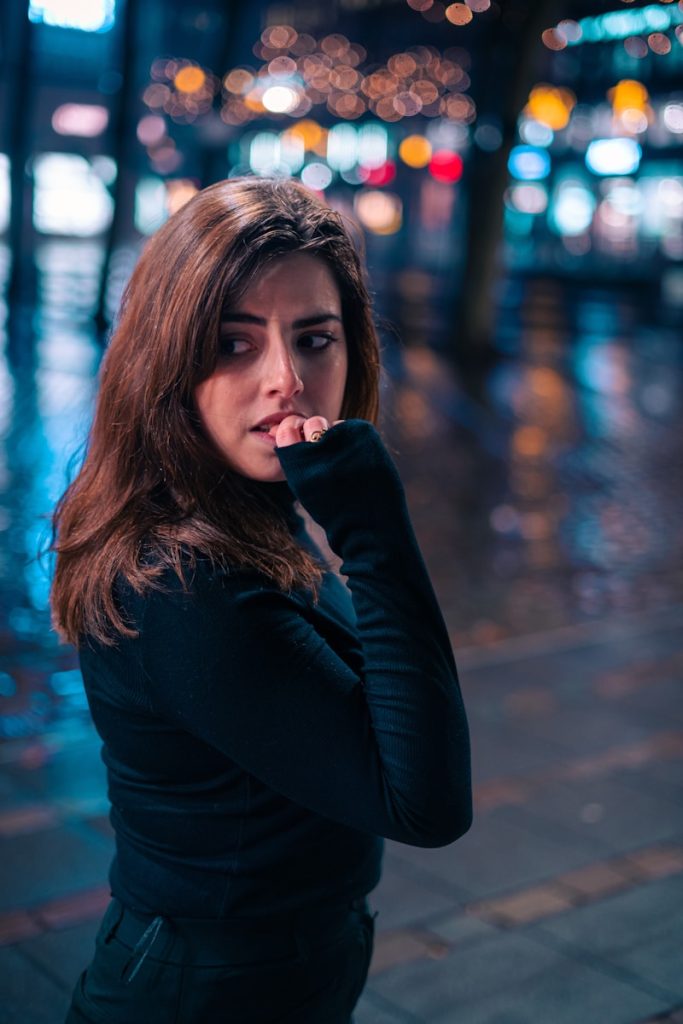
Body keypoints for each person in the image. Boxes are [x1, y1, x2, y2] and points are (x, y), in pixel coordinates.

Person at [49, 176, 472, 1024]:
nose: (286, 378)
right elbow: (424, 804)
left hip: (279, 965)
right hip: (205, 993)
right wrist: (374, 531)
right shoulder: (182, 587)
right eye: (234, 345)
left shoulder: (242, 512)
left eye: (314, 339)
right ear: (167, 359)